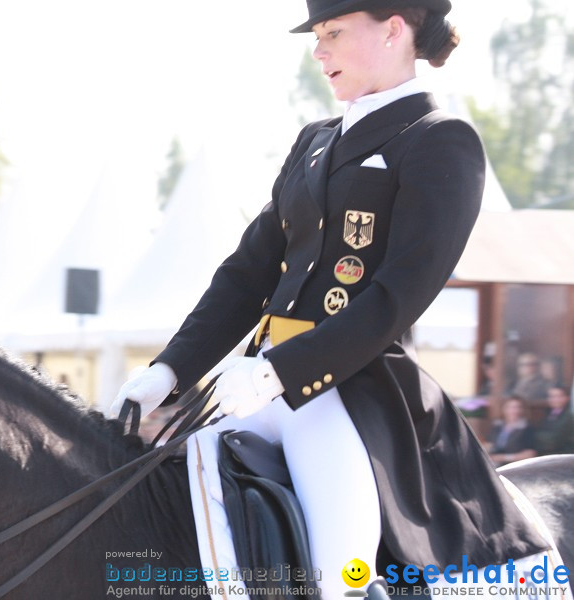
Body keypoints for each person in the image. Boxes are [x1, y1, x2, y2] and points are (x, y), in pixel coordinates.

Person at [107, 0, 546, 596]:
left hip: (350, 393)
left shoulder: (441, 140)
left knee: (338, 577)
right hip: (252, 385)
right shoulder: (314, 141)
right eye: (317, 36)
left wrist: (280, 372)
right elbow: (246, 273)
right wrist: (170, 370)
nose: (319, 51)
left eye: (333, 32)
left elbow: (401, 294)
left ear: (394, 30)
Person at [486, 396, 538, 466]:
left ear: (522, 410)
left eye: (517, 407)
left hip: (513, 465)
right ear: (504, 409)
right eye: (510, 407)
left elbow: (530, 454)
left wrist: (504, 458)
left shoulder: (527, 428)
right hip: (493, 463)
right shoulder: (498, 426)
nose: (514, 411)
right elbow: (489, 444)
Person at [535, 385, 574, 455]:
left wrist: (535, 436)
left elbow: (553, 442)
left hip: (562, 457)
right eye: (552, 396)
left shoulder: (569, 417)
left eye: (558, 396)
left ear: (567, 398)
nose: (555, 399)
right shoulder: (548, 413)